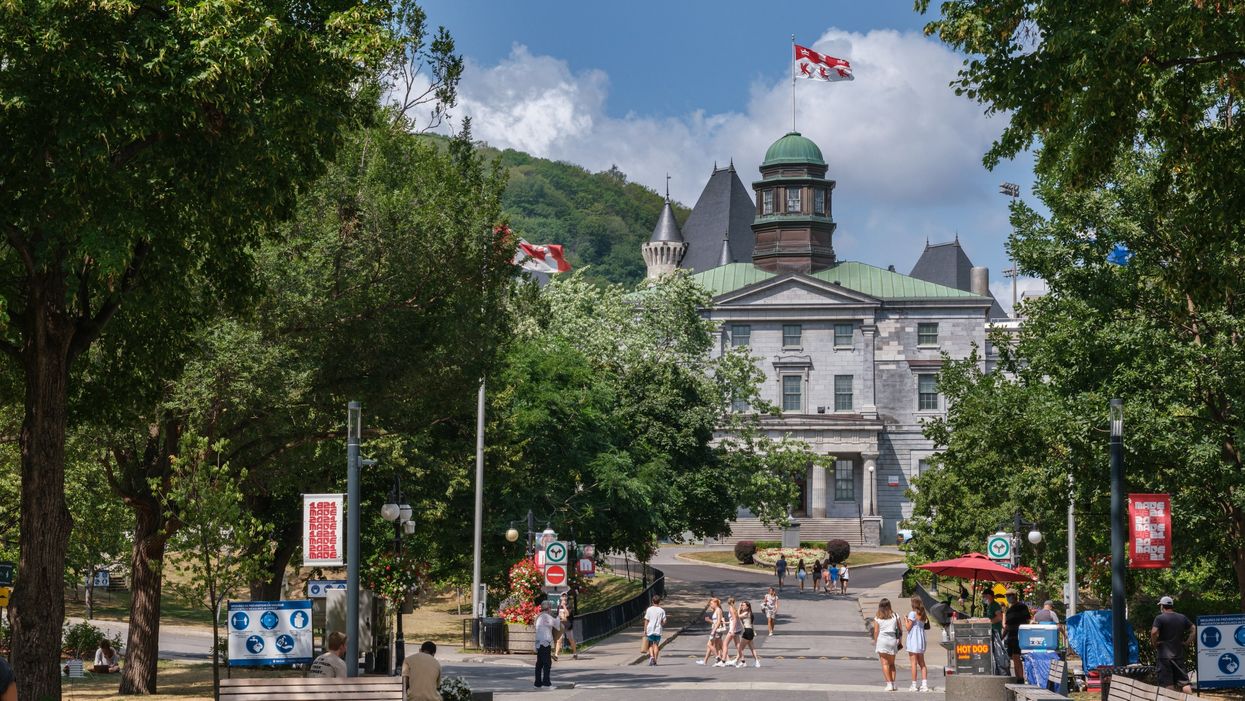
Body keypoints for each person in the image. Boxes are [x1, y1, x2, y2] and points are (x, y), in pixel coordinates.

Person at [1150, 595, 1195, 694]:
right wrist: (1187, 642)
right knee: (1185, 683)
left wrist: (1154, 643)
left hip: (1164, 657)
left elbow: (1154, 632)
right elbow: (1194, 629)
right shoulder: (1182, 617)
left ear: (1162, 606)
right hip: (1178, 655)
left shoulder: (1159, 618)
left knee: (1168, 684)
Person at [871, 597, 901, 691]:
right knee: (892, 664)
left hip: (882, 640)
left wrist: (876, 641)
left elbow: (876, 631)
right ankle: (893, 683)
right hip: (892, 640)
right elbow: (900, 630)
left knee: (885, 663)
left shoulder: (877, 617)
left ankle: (889, 684)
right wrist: (900, 639)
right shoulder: (895, 615)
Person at [1003, 590, 1031, 681]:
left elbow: (1027, 621)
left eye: (1009, 596)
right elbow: (1007, 626)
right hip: (1012, 635)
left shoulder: (1022, 607)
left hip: (1019, 635)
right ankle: (1018, 677)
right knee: (1015, 657)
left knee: (1017, 656)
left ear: (1014, 596)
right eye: (1007, 596)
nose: (1008, 598)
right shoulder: (1009, 610)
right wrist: (1002, 637)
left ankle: (1020, 677)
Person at [905, 596, 930, 692]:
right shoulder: (923, 613)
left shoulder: (912, 613)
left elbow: (908, 627)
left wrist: (905, 620)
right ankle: (924, 684)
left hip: (913, 639)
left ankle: (914, 685)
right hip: (921, 638)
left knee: (913, 663)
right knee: (922, 663)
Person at [533, 600, 557, 688]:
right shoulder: (547, 617)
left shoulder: (538, 617)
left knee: (539, 663)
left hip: (539, 642)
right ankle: (546, 682)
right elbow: (557, 625)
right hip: (546, 642)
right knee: (547, 663)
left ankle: (537, 682)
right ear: (549, 608)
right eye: (550, 607)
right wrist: (559, 617)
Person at [696, 598, 726, 666]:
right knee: (713, 646)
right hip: (715, 629)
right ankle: (708, 660)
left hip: (716, 630)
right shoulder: (716, 610)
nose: (710, 605)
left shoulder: (718, 610)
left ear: (716, 603)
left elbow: (718, 622)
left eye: (711, 604)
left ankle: (718, 659)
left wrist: (714, 630)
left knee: (710, 645)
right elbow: (715, 622)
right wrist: (709, 621)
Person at [733, 600, 761, 668]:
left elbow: (737, 616)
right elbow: (752, 624)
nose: (742, 606)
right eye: (742, 605)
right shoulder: (750, 613)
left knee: (740, 648)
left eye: (743, 605)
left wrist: (739, 607)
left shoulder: (746, 613)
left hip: (747, 631)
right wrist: (754, 631)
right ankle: (757, 661)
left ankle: (737, 661)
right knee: (752, 648)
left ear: (748, 607)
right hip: (750, 631)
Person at [643, 595, 667, 666]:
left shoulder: (649, 609)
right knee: (656, 645)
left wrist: (645, 629)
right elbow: (665, 621)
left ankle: (652, 657)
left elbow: (646, 620)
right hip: (658, 630)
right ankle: (655, 660)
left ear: (652, 601)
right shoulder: (662, 610)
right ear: (659, 602)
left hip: (650, 629)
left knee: (650, 644)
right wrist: (660, 624)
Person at [724, 597, 743, 663]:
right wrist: (726, 622)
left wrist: (732, 630)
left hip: (733, 629)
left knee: (725, 644)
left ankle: (724, 660)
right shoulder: (734, 608)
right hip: (737, 629)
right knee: (738, 645)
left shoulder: (731, 609)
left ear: (728, 602)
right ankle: (743, 661)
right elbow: (733, 619)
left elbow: (734, 620)